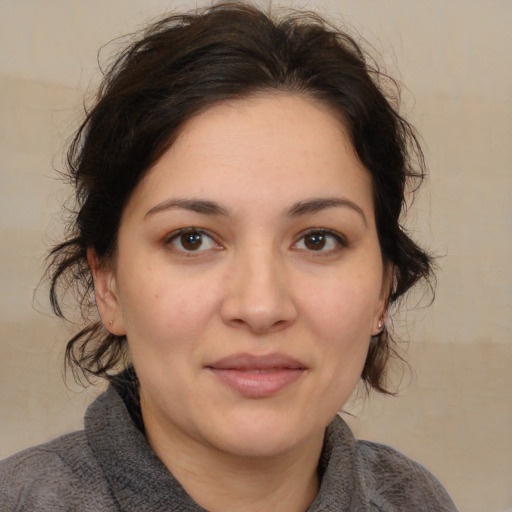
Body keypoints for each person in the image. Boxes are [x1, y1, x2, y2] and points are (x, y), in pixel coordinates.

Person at [0, 2, 458, 511]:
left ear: (383, 288)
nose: (260, 307)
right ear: (107, 284)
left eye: (317, 239)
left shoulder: (416, 500)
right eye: (192, 239)